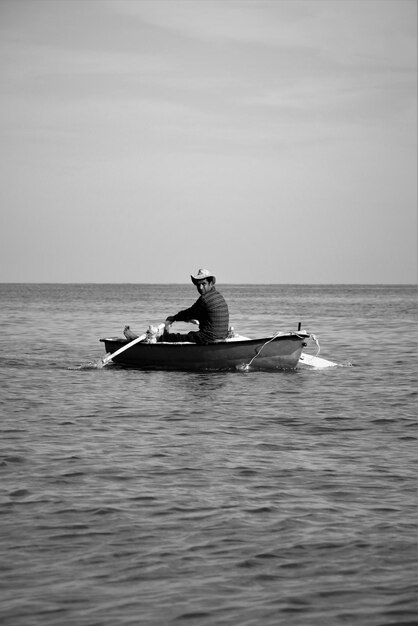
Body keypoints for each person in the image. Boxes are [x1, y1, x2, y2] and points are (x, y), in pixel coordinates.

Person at [163, 268, 229, 344]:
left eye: (203, 284)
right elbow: (197, 314)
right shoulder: (219, 296)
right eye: (198, 285)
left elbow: (189, 313)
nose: (200, 288)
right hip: (222, 337)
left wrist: (174, 318)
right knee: (191, 334)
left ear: (210, 283)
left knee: (173, 338)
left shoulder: (205, 299)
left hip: (208, 338)